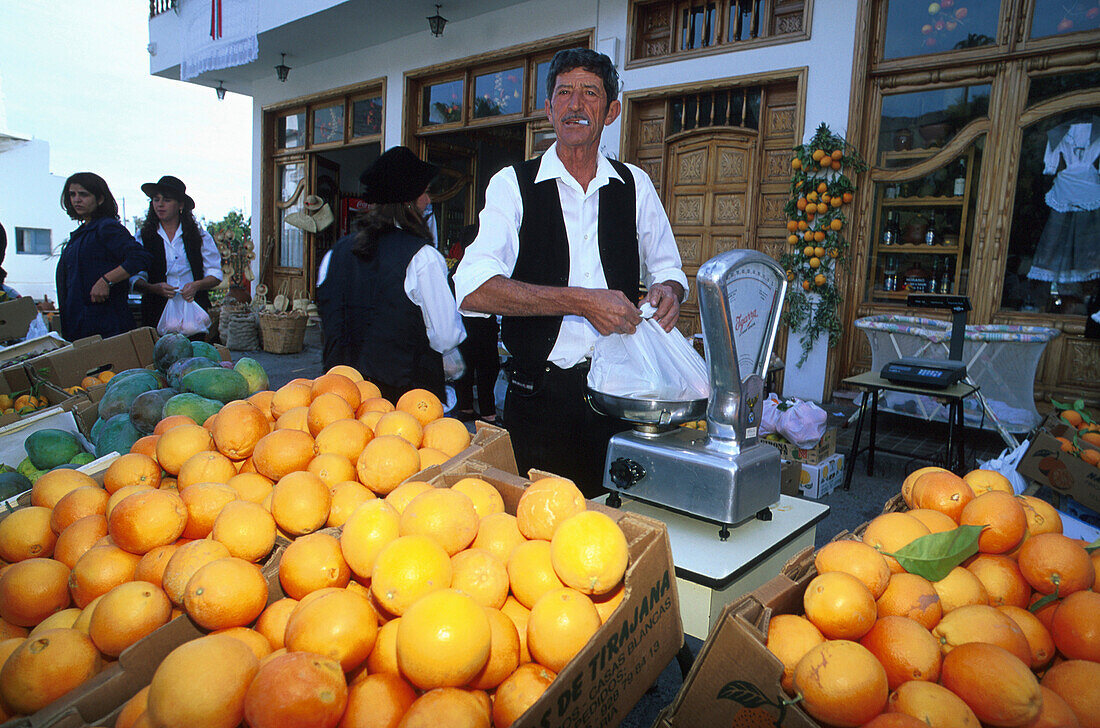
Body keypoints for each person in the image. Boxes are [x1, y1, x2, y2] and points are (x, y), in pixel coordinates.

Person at [453, 47, 688, 496]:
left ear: (612, 110)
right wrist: (581, 300)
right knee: (537, 535)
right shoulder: (512, 185)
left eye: (590, 93)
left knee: (616, 530)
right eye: (564, 92)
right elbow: (471, 289)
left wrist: (670, 291)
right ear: (548, 109)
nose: (575, 105)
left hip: (621, 401)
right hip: (536, 399)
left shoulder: (634, 185)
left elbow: (670, 268)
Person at [316, 146, 466, 404]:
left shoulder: (334, 255)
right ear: (408, 200)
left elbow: (329, 322)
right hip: (401, 407)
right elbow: (446, 336)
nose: (428, 200)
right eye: (425, 192)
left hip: (339, 401)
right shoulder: (423, 258)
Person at [56, 172, 150, 341]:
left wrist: (106, 280)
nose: (77, 199)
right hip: (81, 327)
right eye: (72, 194)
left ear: (99, 199)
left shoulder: (107, 227)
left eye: (84, 194)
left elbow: (140, 256)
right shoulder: (80, 235)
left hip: (106, 326)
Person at [132, 175, 223, 337]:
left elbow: (215, 274)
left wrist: (196, 285)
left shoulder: (198, 236)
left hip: (193, 315)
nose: (160, 204)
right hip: (156, 313)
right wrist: (154, 288)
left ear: (180, 205)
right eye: (156, 199)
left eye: (166, 200)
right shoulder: (144, 237)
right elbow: (135, 277)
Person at [450, 223, 500, 424]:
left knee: (466, 369)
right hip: (483, 325)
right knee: (487, 369)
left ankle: (466, 408)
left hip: (461, 325)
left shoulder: (455, 269)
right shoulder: (483, 269)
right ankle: (488, 413)